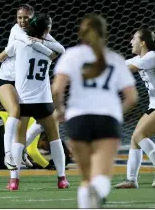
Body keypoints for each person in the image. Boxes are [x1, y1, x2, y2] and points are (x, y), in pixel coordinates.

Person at [52, 14, 138, 208]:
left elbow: (57, 89)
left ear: (80, 33)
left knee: (86, 177)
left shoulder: (71, 55)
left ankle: (91, 194)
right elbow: (132, 98)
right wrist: (117, 114)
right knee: (101, 176)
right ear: (104, 34)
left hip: (78, 119)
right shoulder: (115, 58)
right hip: (107, 119)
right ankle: (98, 191)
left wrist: (60, 109)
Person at [0, 13, 69, 191]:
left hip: (24, 100)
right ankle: (62, 178)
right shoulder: (50, 50)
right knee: (55, 138)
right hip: (44, 101)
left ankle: (14, 180)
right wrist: (42, 43)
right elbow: (57, 52)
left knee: (18, 140)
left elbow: (1, 57)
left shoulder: (20, 42)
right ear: (46, 31)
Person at [114, 28, 155, 189]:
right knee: (135, 139)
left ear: (143, 42)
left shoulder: (151, 57)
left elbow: (129, 68)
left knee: (140, 134)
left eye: (134, 38)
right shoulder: (141, 57)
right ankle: (131, 180)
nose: (131, 42)